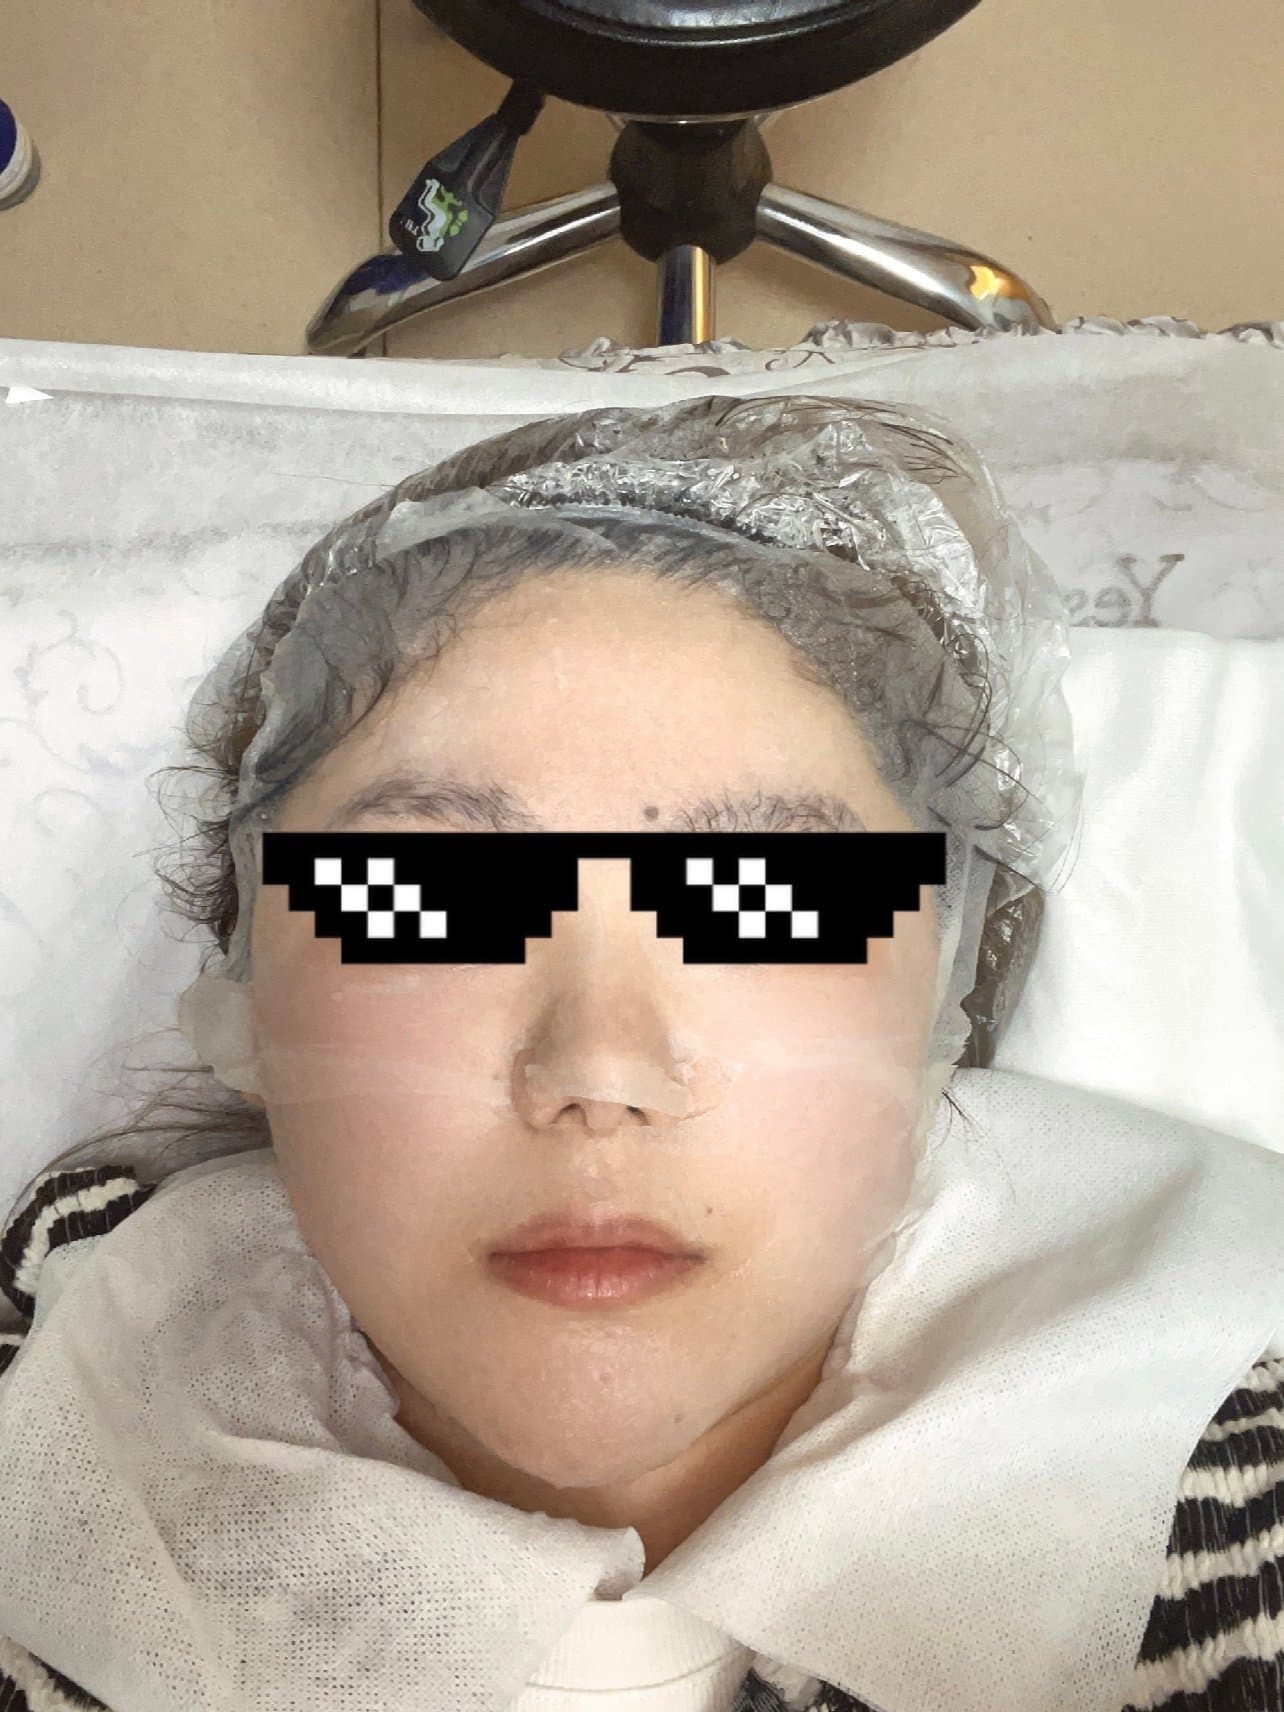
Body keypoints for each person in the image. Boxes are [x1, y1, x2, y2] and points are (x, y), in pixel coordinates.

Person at [0, 392, 1280, 1712]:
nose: (598, 1071)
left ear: (944, 995)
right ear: (245, 997)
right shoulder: (52, 1408)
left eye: (763, 906)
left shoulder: (1216, 1459)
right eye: (427, 903)